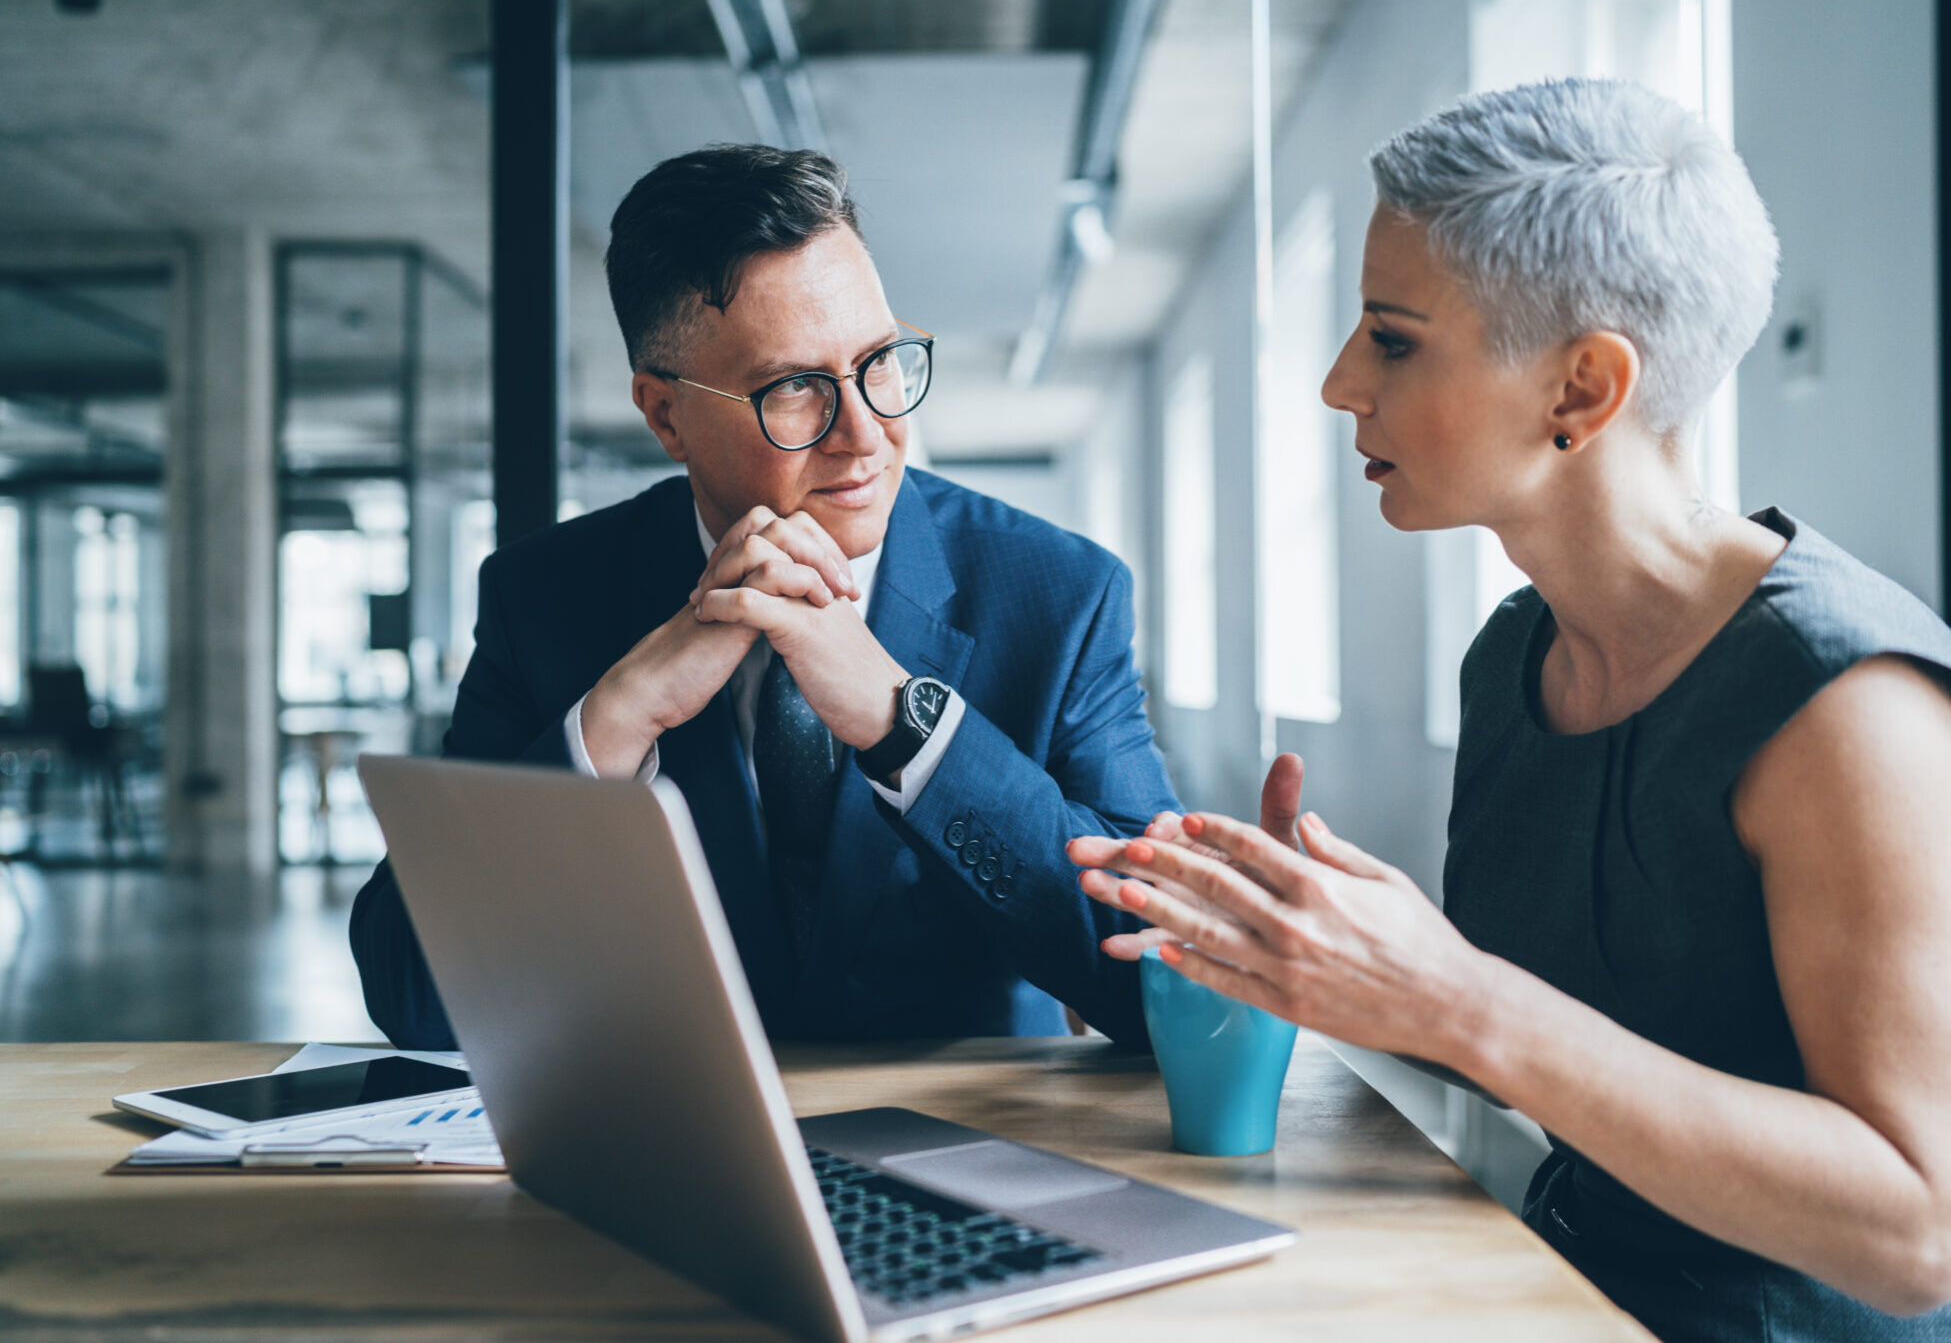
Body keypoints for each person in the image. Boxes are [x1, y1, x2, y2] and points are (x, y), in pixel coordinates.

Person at [1069, 79, 1951, 1342]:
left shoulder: (1848, 710)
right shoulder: (1515, 658)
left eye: (1390, 337)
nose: (1335, 384)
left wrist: (1452, 997)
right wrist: (1322, 948)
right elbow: (1560, 1042)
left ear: (1579, 392)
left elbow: (1918, 1232)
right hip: (1551, 1293)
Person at [353, 144, 1174, 1052]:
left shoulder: (1061, 595)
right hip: (673, 1153)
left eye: (880, 361)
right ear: (665, 415)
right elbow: (411, 990)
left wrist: (909, 727)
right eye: (794, 389)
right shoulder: (544, 598)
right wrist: (617, 719)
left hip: (977, 1149)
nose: (867, 435)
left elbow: (1159, 978)